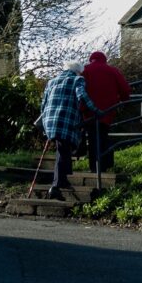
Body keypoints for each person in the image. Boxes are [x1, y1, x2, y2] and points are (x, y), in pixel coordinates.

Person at [41, 61, 101, 200]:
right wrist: (96, 110)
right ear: (78, 71)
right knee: (63, 150)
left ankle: (63, 180)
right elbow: (82, 96)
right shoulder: (77, 79)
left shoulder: (52, 81)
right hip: (66, 119)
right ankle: (55, 187)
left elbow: (43, 104)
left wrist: (45, 122)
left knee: (63, 149)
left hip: (49, 119)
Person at [81, 51, 131, 172]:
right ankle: (103, 167)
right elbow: (125, 90)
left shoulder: (85, 70)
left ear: (91, 59)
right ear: (104, 59)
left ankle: (94, 168)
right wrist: (121, 100)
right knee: (103, 136)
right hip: (107, 111)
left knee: (93, 139)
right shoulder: (113, 71)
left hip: (89, 113)